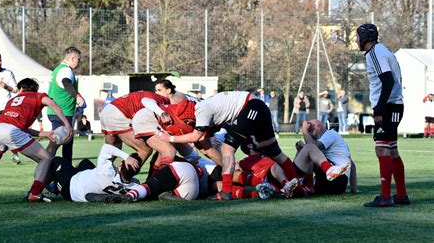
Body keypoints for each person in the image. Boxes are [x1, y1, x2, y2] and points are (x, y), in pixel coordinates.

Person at [155, 91, 299, 200]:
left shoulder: (201, 110)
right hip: (257, 106)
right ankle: (298, 187)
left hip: (249, 107)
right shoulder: (204, 106)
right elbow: (206, 142)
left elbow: (196, 135)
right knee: (274, 152)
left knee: (227, 149)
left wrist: (171, 138)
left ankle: (226, 191)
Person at [0, 78, 73, 202]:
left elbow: (22, 128)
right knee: (46, 158)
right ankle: (34, 193)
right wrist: (66, 124)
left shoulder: (12, 100)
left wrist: (46, 133)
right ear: (35, 90)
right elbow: (52, 103)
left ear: (20, 89)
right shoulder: (38, 96)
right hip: (12, 132)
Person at [356, 23, 409, 207]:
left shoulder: (375, 53)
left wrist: (379, 109)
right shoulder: (382, 50)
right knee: (392, 150)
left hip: (388, 106)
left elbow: (387, 81)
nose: (356, 40)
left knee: (382, 149)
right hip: (394, 105)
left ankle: (385, 196)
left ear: (364, 38)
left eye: (357, 36)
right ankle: (401, 195)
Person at [49, 143, 139, 202]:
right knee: (86, 162)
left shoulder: (107, 170)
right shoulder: (134, 186)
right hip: (88, 179)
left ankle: (53, 187)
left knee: (55, 160)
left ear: (121, 164)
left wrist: (126, 156)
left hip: (71, 188)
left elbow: (106, 147)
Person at [294, 120, 356, 195]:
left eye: (311, 129)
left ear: (319, 127)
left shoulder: (329, 134)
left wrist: (304, 131)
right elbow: (352, 165)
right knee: (308, 151)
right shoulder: (337, 149)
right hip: (339, 184)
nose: (309, 133)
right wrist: (354, 190)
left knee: (309, 147)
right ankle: (302, 184)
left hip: (335, 179)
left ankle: (293, 182)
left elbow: (312, 146)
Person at [47, 46, 85, 164]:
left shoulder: (58, 69)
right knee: (55, 144)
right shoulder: (65, 70)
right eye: (78, 59)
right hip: (61, 113)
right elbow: (66, 83)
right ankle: (44, 169)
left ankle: (67, 171)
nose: (79, 62)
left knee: (67, 142)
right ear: (73, 58)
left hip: (58, 111)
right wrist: (77, 96)